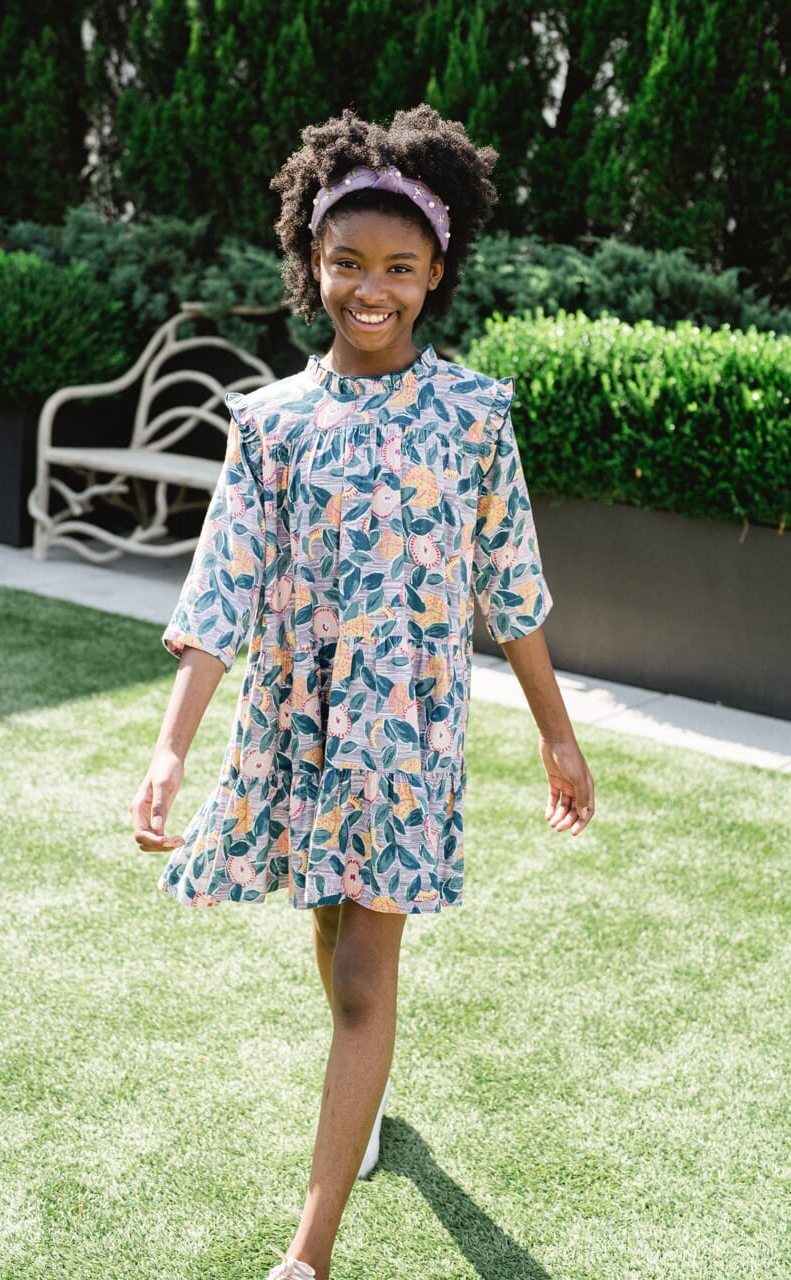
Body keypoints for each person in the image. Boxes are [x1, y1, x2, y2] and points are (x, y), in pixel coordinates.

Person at [131, 103, 595, 1280]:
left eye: (398, 266)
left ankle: (309, 1251)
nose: (371, 288)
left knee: (357, 978)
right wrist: (171, 747)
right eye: (348, 262)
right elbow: (222, 585)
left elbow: (512, 585)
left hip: (405, 734)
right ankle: (370, 1092)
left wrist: (557, 736)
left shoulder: (475, 416)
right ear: (312, 262)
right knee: (329, 926)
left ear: (436, 271)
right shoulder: (270, 424)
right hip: (299, 724)